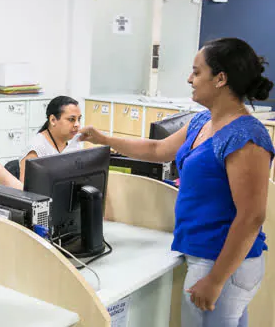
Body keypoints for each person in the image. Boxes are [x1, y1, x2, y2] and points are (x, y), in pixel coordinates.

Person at [80, 38, 274, 327]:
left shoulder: (246, 136)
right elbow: (157, 150)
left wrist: (215, 280)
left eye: (196, 72)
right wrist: (105, 140)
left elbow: (251, 217)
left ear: (220, 78)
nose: (189, 79)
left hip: (222, 264)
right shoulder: (202, 122)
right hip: (203, 256)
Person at [19, 96, 83, 182]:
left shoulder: (74, 143)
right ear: (53, 120)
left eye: (79, 119)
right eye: (71, 119)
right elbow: (26, 191)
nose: (77, 124)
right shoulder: (36, 148)